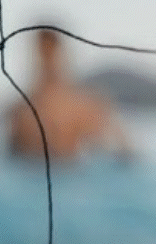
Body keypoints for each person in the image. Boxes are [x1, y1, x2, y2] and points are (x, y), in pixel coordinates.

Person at [9, 27, 132, 163]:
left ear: (62, 55)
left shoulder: (89, 106)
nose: (47, 62)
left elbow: (125, 153)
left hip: (73, 175)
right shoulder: (19, 113)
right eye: (43, 54)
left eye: (50, 53)